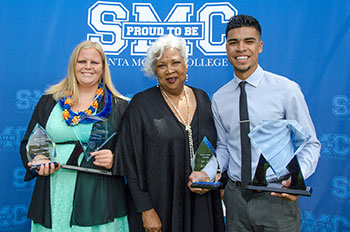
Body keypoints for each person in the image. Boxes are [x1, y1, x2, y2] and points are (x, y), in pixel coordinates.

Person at [211, 15, 321, 232]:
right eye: (234, 42)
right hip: (235, 200)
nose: (241, 48)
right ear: (226, 48)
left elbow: (310, 143)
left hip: (277, 198)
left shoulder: (286, 90)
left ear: (259, 46)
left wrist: (295, 180)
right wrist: (207, 172)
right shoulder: (219, 98)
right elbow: (224, 147)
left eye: (249, 41)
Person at [115, 34, 225, 232]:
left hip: (201, 204)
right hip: (159, 206)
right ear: (154, 71)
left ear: (185, 65)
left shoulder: (203, 98)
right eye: (162, 65)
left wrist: (214, 177)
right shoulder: (141, 104)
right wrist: (145, 209)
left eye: (175, 62)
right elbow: (129, 163)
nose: (170, 70)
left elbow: (216, 148)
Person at [20, 41, 130, 231]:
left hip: (100, 196)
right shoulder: (49, 100)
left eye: (94, 62)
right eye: (82, 61)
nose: (88, 67)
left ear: (103, 68)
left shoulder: (119, 106)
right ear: (73, 65)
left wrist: (116, 159)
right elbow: (28, 143)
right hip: (53, 191)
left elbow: (135, 152)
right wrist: (37, 158)